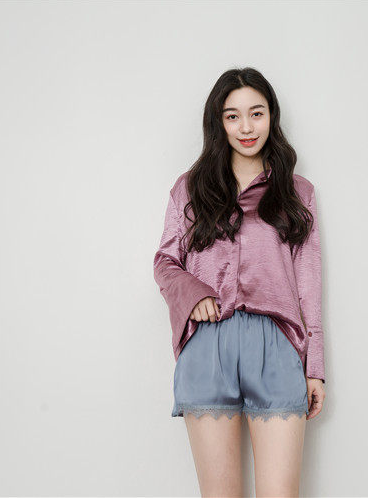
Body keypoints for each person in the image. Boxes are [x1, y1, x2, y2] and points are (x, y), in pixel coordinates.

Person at [153, 67, 326, 497]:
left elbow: (308, 286)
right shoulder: (191, 189)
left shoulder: (298, 193)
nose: (246, 127)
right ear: (219, 121)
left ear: (272, 116)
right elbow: (165, 262)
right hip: (207, 347)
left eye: (256, 113)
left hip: (277, 347)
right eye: (233, 116)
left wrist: (315, 369)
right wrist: (194, 293)